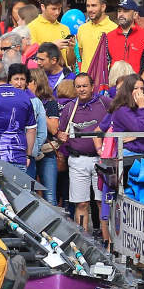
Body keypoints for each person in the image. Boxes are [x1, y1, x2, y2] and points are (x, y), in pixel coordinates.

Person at [55, 74, 108, 232]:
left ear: (92, 86)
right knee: (81, 203)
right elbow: (60, 131)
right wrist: (60, 135)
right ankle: (84, 240)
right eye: (78, 86)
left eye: (85, 86)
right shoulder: (70, 107)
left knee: (102, 202)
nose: (82, 89)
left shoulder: (104, 103)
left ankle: (107, 241)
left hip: (101, 160)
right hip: (78, 159)